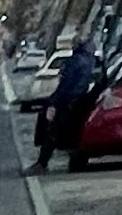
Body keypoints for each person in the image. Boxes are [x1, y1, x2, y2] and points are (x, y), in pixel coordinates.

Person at [36, 43, 100, 171]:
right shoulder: (95, 61)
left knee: (53, 131)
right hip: (86, 101)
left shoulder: (75, 61)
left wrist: (53, 101)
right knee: (76, 133)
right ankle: (76, 163)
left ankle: (42, 163)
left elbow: (66, 84)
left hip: (68, 101)